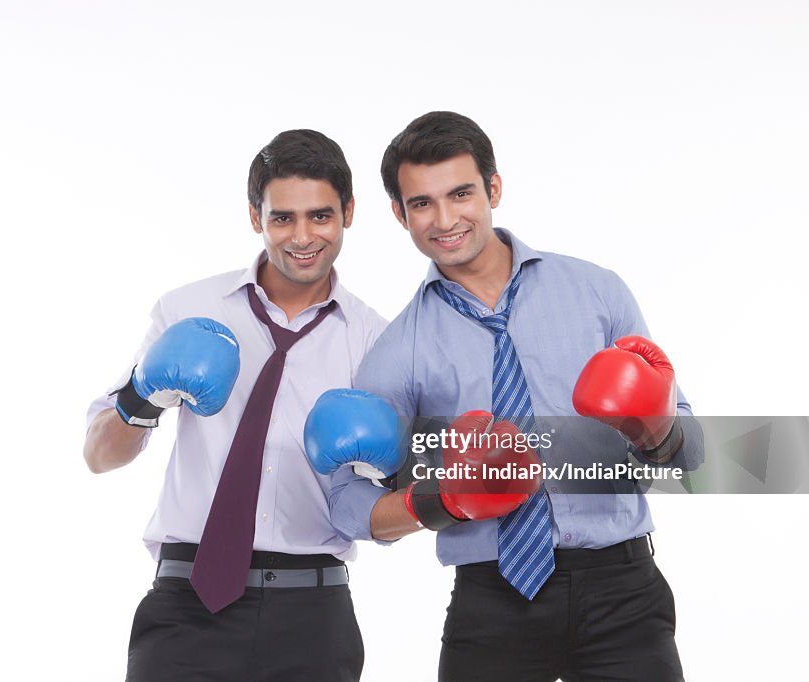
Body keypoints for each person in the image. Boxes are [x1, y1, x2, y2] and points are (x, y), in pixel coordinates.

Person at [307, 111, 704, 681]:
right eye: (422, 203)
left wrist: (656, 430)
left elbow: (693, 456)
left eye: (461, 193)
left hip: (624, 594)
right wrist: (436, 501)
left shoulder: (596, 291)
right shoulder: (398, 351)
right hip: (492, 600)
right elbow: (344, 502)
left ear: (493, 188)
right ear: (399, 213)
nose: (445, 220)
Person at [82, 128, 390, 682]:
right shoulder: (188, 308)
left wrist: (401, 478)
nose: (302, 236)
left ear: (348, 212)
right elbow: (99, 456)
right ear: (255, 217)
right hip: (187, 604)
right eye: (282, 218)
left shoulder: (374, 342)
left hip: (313, 616)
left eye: (320, 216)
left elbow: (384, 506)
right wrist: (141, 395)